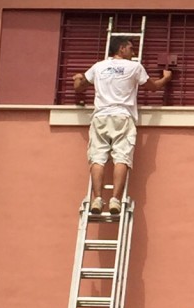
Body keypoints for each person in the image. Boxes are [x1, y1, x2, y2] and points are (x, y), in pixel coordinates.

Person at [73, 35, 172, 215]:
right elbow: (152, 87)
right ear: (121, 49)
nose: (133, 52)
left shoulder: (99, 66)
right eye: (130, 48)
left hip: (100, 117)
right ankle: (115, 200)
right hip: (122, 116)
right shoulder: (134, 67)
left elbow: (79, 87)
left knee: (97, 158)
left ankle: (97, 198)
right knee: (122, 158)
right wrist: (166, 78)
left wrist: (77, 78)